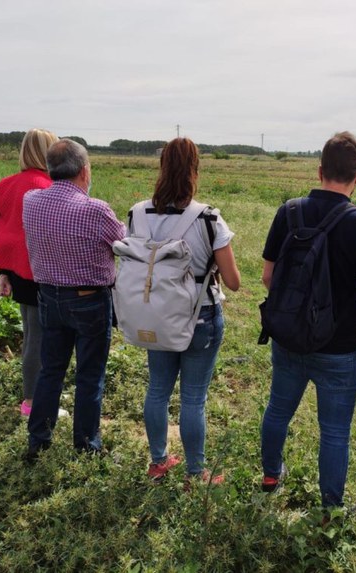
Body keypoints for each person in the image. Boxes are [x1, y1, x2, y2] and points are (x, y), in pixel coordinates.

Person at [259, 132, 356, 508]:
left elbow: (268, 277)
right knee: (334, 431)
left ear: (319, 170)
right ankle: (330, 508)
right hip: (342, 344)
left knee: (278, 409)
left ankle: (270, 475)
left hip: (289, 336)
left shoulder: (289, 211)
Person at [134, 138, 241, 486]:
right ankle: (196, 471)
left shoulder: (138, 214)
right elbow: (234, 281)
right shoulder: (208, 218)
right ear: (194, 170)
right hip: (200, 316)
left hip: (155, 316)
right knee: (193, 397)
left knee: (157, 390)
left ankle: (158, 462)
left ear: (162, 167)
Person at [22, 139, 126, 458]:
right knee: (89, 375)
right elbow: (123, 242)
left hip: (49, 298)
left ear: (51, 169)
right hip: (89, 300)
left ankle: (38, 439)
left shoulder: (31, 200)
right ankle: (86, 445)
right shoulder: (95, 210)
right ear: (85, 171)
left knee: (50, 370)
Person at [0, 128, 61, 417]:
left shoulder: (4, 185)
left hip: (16, 267)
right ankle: (32, 402)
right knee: (39, 337)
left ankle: (34, 394)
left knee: (31, 331)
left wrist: (4, 272)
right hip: (40, 269)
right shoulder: (47, 187)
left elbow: (0, 229)